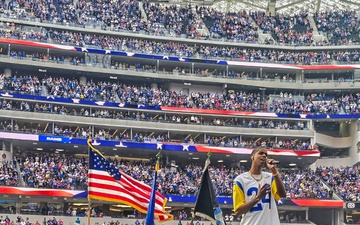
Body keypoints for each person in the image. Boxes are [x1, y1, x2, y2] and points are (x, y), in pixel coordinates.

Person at [233, 147, 286, 225]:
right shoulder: (240, 180)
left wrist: (274, 171)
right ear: (252, 157)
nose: (264, 156)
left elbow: (282, 195)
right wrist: (258, 198)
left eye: (266, 154)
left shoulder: (270, 177)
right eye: (260, 153)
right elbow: (238, 212)